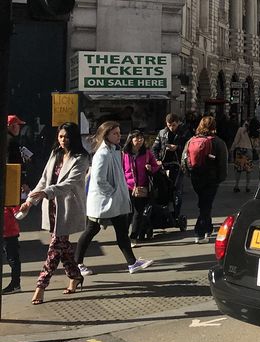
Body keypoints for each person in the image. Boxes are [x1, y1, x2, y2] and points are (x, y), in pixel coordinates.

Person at [76, 121, 153, 276]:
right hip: (104, 201)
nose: (119, 136)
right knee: (92, 230)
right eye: (115, 133)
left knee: (120, 231)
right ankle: (76, 263)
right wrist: (114, 192)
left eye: (119, 132)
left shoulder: (114, 150)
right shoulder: (103, 154)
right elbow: (99, 180)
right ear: (106, 135)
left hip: (113, 201)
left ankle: (132, 263)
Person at [25, 123, 90, 304]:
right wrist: (30, 201)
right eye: (61, 136)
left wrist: (46, 192)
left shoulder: (81, 158)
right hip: (51, 206)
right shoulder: (56, 153)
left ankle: (41, 286)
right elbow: (44, 179)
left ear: (74, 138)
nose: (63, 140)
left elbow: (69, 184)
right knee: (63, 246)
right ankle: (76, 276)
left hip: (68, 207)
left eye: (67, 137)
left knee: (54, 248)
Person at [182, 115, 228, 243]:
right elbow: (222, 163)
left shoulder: (191, 140)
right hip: (211, 178)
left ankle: (208, 228)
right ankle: (199, 233)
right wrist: (220, 178)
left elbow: (184, 159)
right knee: (205, 206)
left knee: (204, 203)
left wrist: (189, 173)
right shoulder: (218, 142)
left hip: (195, 177)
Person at [2, 114, 31, 293]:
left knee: (10, 246)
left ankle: (15, 282)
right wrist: (23, 182)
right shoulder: (11, 142)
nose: (18, 128)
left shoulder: (11, 141)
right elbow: (14, 168)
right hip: (10, 197)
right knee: (11, 246)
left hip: (9, 200)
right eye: (16, 125)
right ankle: (15, 282)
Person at [123, 129, 160, 242]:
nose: (140, 140)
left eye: (141, 138)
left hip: (142, 187)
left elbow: (156, 166)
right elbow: (121, 170)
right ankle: (123, 236)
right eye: (137, 138)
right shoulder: (124, 154)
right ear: (131, 140)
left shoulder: (147, 153)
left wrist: (151, 168)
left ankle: (133, 237)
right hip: (128, 187)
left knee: (138, 213)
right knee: (128, 213)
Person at [152, 113, 190, 219]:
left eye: (173, 125)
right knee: (164, 188)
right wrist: (157, 159)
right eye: (169, 125)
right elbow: (154, 148)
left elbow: (189, 148)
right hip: (164, 164)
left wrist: (177, 147)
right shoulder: (162, 133)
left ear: (178, 123)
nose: (171, 127)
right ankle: (164, 212)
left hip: (178, 164)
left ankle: (176, 214)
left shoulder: (185, 132)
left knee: (176, 189)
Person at [231, 120, 254, 193]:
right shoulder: (251, 130)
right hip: (249, 151)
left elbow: (236, 140)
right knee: (248, 170)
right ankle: (247, 186)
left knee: (239, 169)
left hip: (240, 151)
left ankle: (236, 186)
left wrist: (232, 148)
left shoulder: (240, 129)